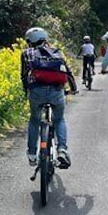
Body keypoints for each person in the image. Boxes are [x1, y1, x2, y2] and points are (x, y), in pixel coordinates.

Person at [21, 27, 78, 168]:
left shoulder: (27, 52)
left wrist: (26, 91)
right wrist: (74, 89)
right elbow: (68, 72)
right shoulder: (56, 52)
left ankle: (32, 155)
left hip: (37, 92)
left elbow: (24, 75)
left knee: (35, 120)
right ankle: (62, 150)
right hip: (56, 91)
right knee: (59, 119)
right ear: (45, 39)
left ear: (29, 41)